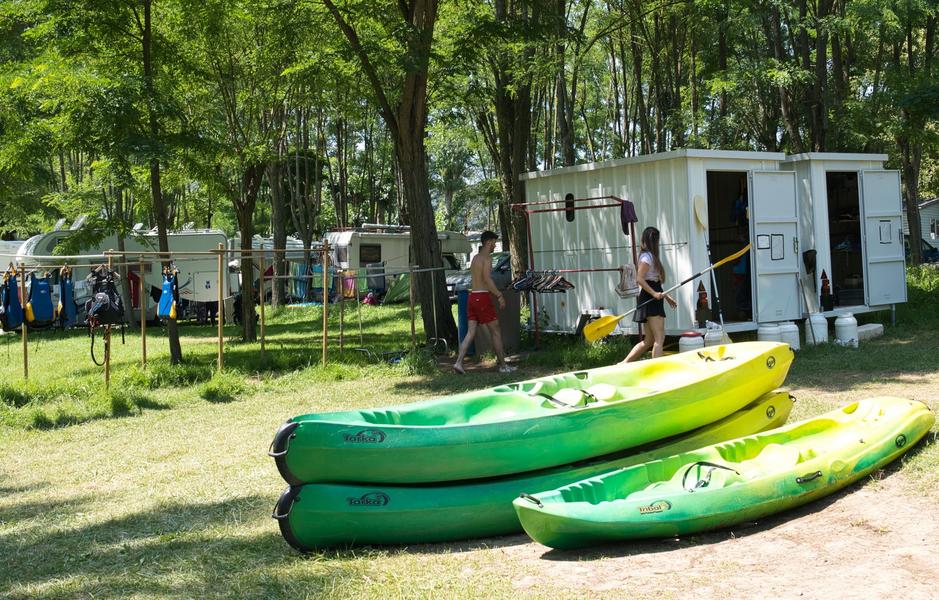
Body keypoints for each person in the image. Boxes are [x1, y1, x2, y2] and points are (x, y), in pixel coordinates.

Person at [453, 231, 516, 374]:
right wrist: (499, 295)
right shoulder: (487, 258)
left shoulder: (475, 258)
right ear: (488, 242)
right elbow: (487, 280)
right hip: (482, 297)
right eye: (494, 242)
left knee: (471, 332)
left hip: (472, 297)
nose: (495, 245)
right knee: (496, 331)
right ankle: (503, 366)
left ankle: (458, 363)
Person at [622, 226, 677, 362]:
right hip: (650, 298)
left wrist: (666, 296)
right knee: (659, 338)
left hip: (651, 296)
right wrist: (654, 294)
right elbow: (639, 279)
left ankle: (623, 363)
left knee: (649, 340)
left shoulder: (650, 256)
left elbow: (654, 282)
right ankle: (657, 369)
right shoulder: (647, 258)